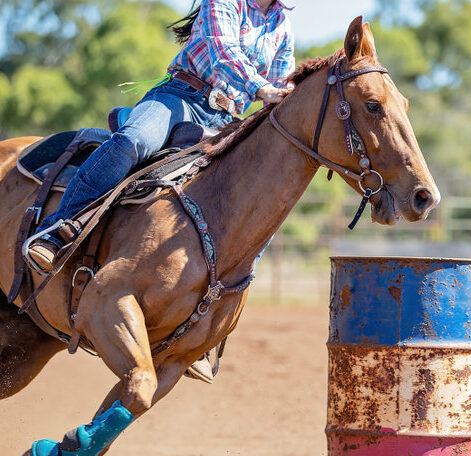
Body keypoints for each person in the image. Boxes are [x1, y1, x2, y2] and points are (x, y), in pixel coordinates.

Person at [28, 0, 295, 271]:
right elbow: (223, 52)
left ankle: (234, 279)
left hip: (227, 119)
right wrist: (263, 89)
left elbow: (282, 85)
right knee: (133, 141)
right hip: (181, 97)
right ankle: (55, 232)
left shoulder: (282, 24)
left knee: (262, 193)